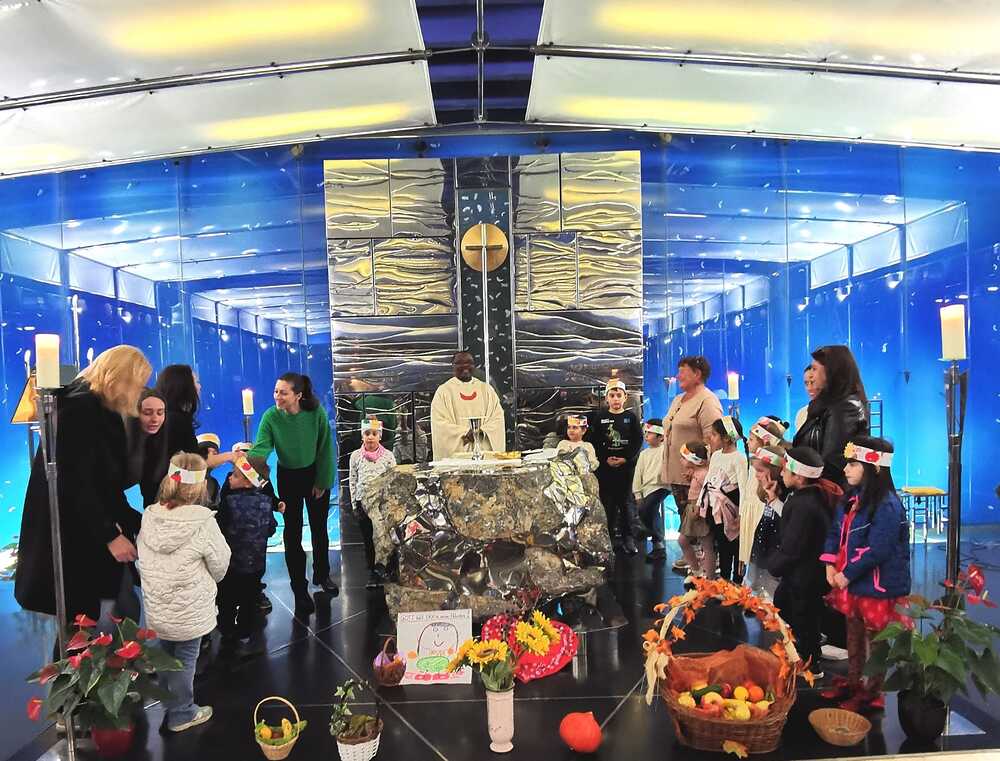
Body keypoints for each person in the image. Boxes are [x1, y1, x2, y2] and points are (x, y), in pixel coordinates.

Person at [16, 346, 151, 627]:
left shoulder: (94, 407)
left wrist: (141, 523)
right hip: (73, 538)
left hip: (84, 530)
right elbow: (76, 483)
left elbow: (103, 481)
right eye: (138, 383)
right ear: (121, 378)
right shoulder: (81, 409)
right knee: (80, 621)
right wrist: (110, 535)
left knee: (90, 616)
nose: (139, 391)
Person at [136, 453, 230, 732]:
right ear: (200, 486)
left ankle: (170, 704)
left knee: (164, 655)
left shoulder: (150, 515)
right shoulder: (203, 521)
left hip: (157, 606)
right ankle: (181, 713)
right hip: (189, 608)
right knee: (186, 658)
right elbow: (220, 564)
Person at [821, 437, 911, 711]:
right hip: (853, 584)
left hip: (876, 587)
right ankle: (854, 682)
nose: (845, 469)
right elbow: (835, 532)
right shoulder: (851, 499)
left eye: (852, 464)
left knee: (876, 642)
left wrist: (846, 574)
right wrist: (830, 564)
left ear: (874, 467)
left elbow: (878, 549)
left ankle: (872, 692)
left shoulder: (887, 505)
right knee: (854, 637)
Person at [248, 372, 337, 615]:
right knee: (292, 532)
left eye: (283, 392)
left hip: (314, 474)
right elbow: (262, 447)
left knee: (319, 528)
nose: (277, 396)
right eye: (276, 391)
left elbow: (325, 448)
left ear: (298, 395)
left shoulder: (316, 413)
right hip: (288, 477)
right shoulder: (270, 416)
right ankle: (299, 588)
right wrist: (248, 462)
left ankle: (322, 574)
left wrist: (322, 481)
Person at [765, 446, 833, 674]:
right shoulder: (810, 497)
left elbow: (793, 546)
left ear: (799, 477)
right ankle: (806, 650)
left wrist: (774, 565)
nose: (781, 473)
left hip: (805, 575)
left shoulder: (805, 504)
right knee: (786, 603)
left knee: (804, 617)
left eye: (785, 470)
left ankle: (811, 664)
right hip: (805, 573)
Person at [660, 356, 724, 572]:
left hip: (695, 477)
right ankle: (693, 559)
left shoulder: (707, 401)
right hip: (677, 473)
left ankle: (706, 564)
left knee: (698, 523)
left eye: (683, 371)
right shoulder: (678, 399)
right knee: (686, 519)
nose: (678, 376)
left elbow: (714, 439)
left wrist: (700, 468)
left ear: (697, 374)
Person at [216, 456, 283, 659]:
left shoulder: (227, 503)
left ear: (247, 481)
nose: (229, 478)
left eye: (235, 475)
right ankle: (245, 633)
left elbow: (218, 529)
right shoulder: (266, 502)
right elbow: (271, 529)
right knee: (249, 600)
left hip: (230, 567)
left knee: (226, 600)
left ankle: (227, 631)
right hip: (256, 566)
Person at [793, 346, 869, 487]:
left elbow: (833, 461)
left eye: (815, 369)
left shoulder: (845, 407)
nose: (811, 375)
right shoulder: (824, 405)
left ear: (831, 371)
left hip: (829, 493)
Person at [587, 379, 643, 553]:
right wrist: (605, 459)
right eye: (612, 395)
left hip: (626, 470)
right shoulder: (600, 417)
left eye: (619, 395)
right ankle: (609, 539)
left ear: (625, 397)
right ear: (606, 398)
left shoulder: (631, 417)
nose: (616, 399)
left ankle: (628, 539)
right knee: (608, 506)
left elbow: (637, 441)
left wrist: (625, 459)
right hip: (606, 470)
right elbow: (594, 442)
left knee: (626, 505)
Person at [740, 417, 789, 596]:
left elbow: (787, 517)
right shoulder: (767, 492)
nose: (756, 476)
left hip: (775, 546)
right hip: (763, 541)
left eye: (760, 471)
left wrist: (774, 499)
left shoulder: (785, 495)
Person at [430, 352, 506, 460]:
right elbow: (439, 423)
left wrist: (481, 431)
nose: (465, 366)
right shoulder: (444, 391)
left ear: (474, 366)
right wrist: (466, 433)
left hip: (484, 452)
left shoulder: (486, 389)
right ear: (453, 366)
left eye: (469, 363)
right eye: (460, 363)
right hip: (458, 455)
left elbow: (497, 418)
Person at [349, 418, 397, 589]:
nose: (370, 437)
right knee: (369, 539)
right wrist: (354, 505)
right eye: (367, 433)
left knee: (383, 536)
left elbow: (394, 481)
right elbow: (353, 480)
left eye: (374, 434)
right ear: (362, 436)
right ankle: (373, 571)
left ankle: (385, 568)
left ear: (380, 436)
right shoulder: (355, 456)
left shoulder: (388, 456)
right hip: (363, 505)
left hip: (383, 505)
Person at [701, 416, 748, 583]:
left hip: (731, 509)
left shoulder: (739, 458)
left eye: (714, 434)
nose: (710, 437)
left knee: (735, 545)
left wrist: (742, 515)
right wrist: (702, 503)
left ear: (726, 438)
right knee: (722, 544)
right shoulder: (715, 456)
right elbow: (709, 480)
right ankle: (724, 580)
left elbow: (743, 488)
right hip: (715, 510)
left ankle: (737, 581)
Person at [632, 420, 670, 561]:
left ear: (661, 437)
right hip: (646, 488)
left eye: (650, 433)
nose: (646, 436)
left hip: (662, 486)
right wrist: (637, 493)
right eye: (646, 433)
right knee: (651, 512)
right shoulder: (644, 454)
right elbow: (638, 474)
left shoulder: (666, 450)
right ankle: (658, 546)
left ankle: (645, 531)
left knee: (647, 508)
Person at [677, 442, 711, 583]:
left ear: (695, 460)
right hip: (692, 509)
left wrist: (699, 507)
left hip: (699, 510)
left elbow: (708, 492)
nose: (681, 460)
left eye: (683, 458)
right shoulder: (698, 473)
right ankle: (697, 571)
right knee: (684, 540)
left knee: (707, 546)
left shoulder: (703, 474)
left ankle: (709, 578)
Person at [197, 433, 222, 509]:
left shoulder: (214, 483)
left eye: (215, 453)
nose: (211, 456)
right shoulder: (183, 477)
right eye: (205, 452)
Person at [794, 365, 818, 433]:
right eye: (806, 383)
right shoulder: (802, 414)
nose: (809, 388)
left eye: (813, 382)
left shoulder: (837, 413)